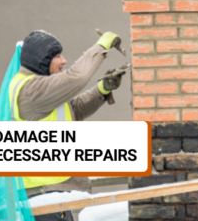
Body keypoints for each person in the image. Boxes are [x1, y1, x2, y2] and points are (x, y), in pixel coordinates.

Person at [9, 30, 125, 221]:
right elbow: (76, 78)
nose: (63, 60)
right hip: (42, 197)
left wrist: (102, 90)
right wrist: (101, 46)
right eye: (56, 56)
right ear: (41, 59)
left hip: (55, 193)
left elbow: (74, 110)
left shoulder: (43, 86)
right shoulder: (31, 89)